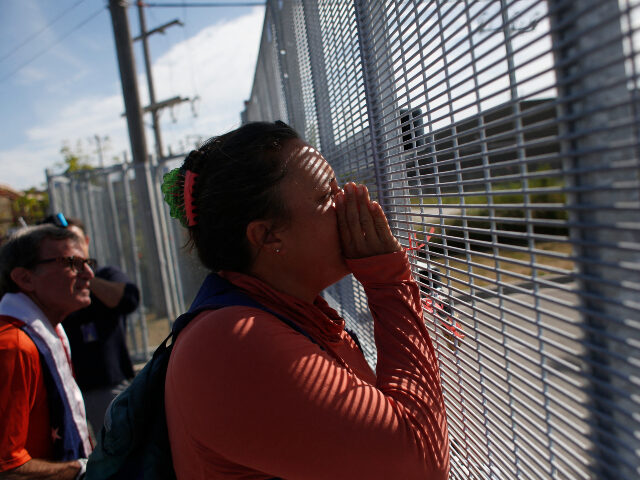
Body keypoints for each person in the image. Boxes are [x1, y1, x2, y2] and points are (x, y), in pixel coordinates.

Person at [161, 121, 450, 479]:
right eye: (326, 195)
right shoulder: (234, 339)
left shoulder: (288, 312)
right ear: (268, 236)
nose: (346, 199)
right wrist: (389, 282)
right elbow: (419, 463)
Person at [0, 225, 93, 479]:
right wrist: (83, 470)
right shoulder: (13, 346)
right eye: (73, 262)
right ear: (25, 278)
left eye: (87, 262)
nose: (89, 273)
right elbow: (7, 469)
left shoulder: (48, 332)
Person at [51, 218, 140, 436]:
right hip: (68, 389)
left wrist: (83, 275)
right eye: (63, 245)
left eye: (74, 240)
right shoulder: (54, 286)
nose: (70, 249)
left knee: (121, 448)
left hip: (107, 384)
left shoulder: (105, 275)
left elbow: (128, 299)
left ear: (87, 241)